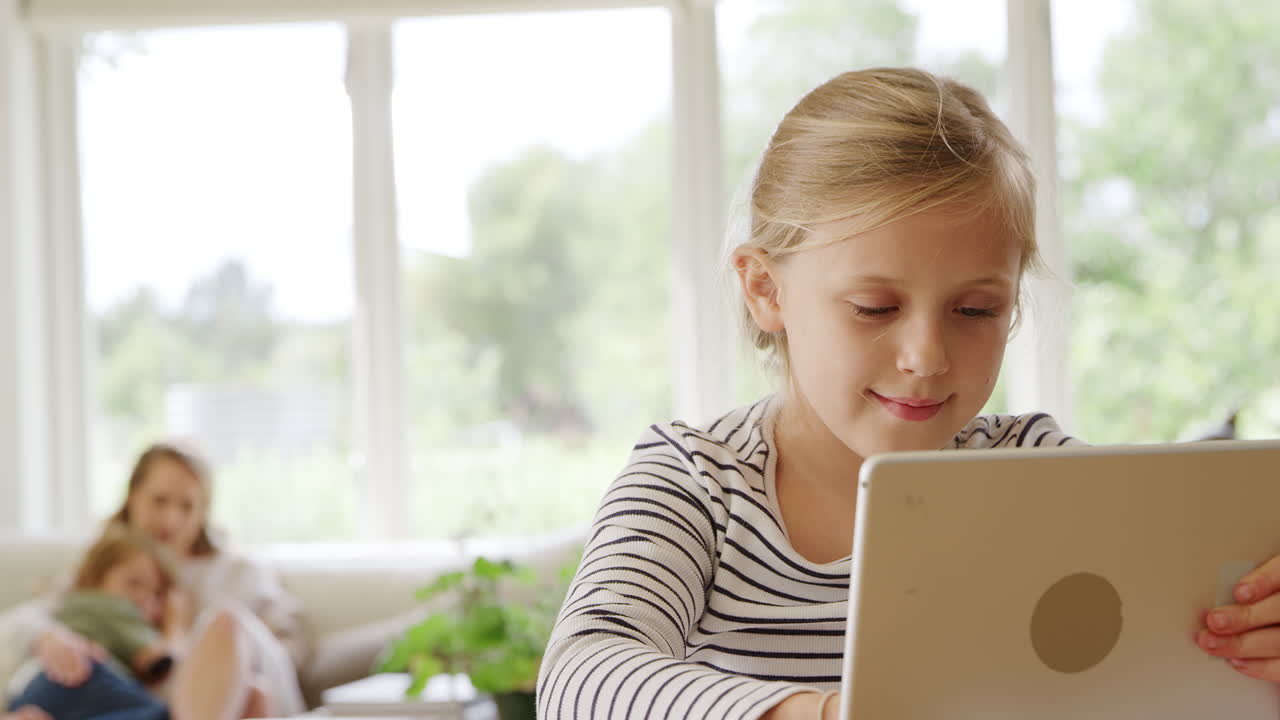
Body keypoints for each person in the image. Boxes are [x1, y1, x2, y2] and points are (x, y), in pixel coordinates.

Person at [536, 67, 1280, 719]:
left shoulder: (1038, 472)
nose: (926, 357)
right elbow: (579, 679)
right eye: (875, 308)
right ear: (766, 290)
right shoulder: (695, 483)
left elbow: (1175, 652)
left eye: (975, 310)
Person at [1, 443, 308, 717]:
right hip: (136, 704)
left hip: (230, 691)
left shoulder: (238, 572)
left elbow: (288, 648)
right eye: (159, 501)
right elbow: (29, 618)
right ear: (133, 496)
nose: (171, 519)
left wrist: (192, 646)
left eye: (187, 507)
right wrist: (49, 638)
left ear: (204, 512)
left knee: (247, 668)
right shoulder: (107, 565)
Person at [8, 526, 271, 720]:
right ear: (94, 580)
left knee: (256, 695)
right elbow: (161, 662)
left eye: (157, 595)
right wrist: (174, 627)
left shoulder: (74, 609)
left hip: (52, 693)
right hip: (84, 683)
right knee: (162, 714)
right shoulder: (112, 610)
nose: (144, 599)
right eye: (133, 583)